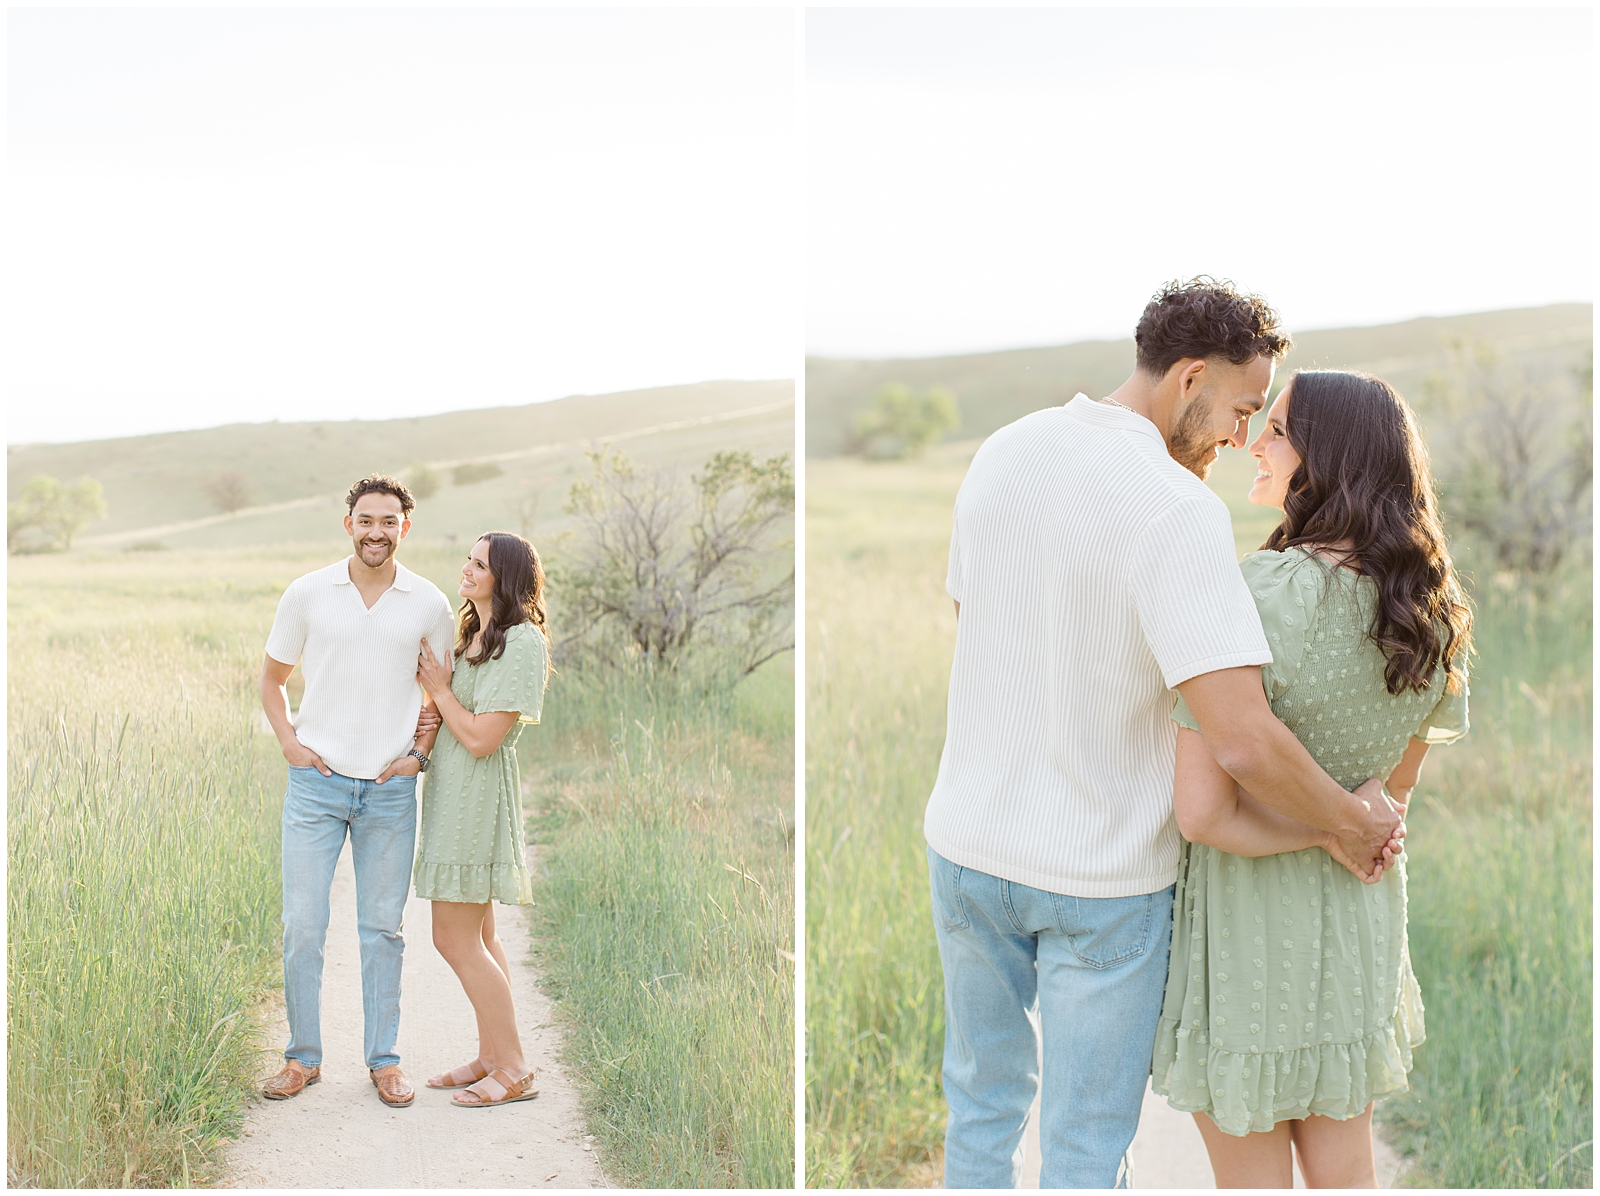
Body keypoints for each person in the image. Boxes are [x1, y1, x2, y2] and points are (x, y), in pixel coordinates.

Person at [922, 278, 1406, 1188]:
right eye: (1241, 408)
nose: (1240, 436)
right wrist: (1349, 822)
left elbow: (976, 619)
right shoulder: (1178, 512)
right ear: (1190, 378)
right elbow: (1244, 740)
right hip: (1099, 880)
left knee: (981, 1113)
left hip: (967, 849)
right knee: (1083, 1148)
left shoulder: (1004, 450)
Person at [1152, 371, 1471, 1187]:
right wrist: (1347, 824)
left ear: (1329, 457)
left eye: (1280, 430)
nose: (1255, 441)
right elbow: (1389, 795)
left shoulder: (1254, 592)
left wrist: (1324, 823)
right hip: (1356, 927)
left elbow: (1202, 813)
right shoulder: (1430, 612)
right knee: (1347, 1176)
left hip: (1249, 940)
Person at [260, 474, 455, 1107]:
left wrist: (417, 756)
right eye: (366, 520)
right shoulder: (309, 593)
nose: (377, 532)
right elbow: (272, 680)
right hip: (315, 786)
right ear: (349, 524)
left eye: (388, 521)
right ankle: (303, 1058)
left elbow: (439, 694)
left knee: (382, 929)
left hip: (389, 792)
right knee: (303, 926)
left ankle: (384, 1061)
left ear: (405, 527)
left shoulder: (427, 604)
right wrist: (291, 745)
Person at [410, 530, 551, 1108]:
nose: (466, 571)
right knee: (483, 936)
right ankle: (492, 1055)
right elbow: (449, 721)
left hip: (476, 799)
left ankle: (515, 1068)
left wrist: (440, 691)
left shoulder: (522, 643)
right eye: (467, 560)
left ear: (507, 579)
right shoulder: (477, 634)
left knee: (454, 938)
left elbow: (482, 739)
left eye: (480, 565)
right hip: (451, 796)